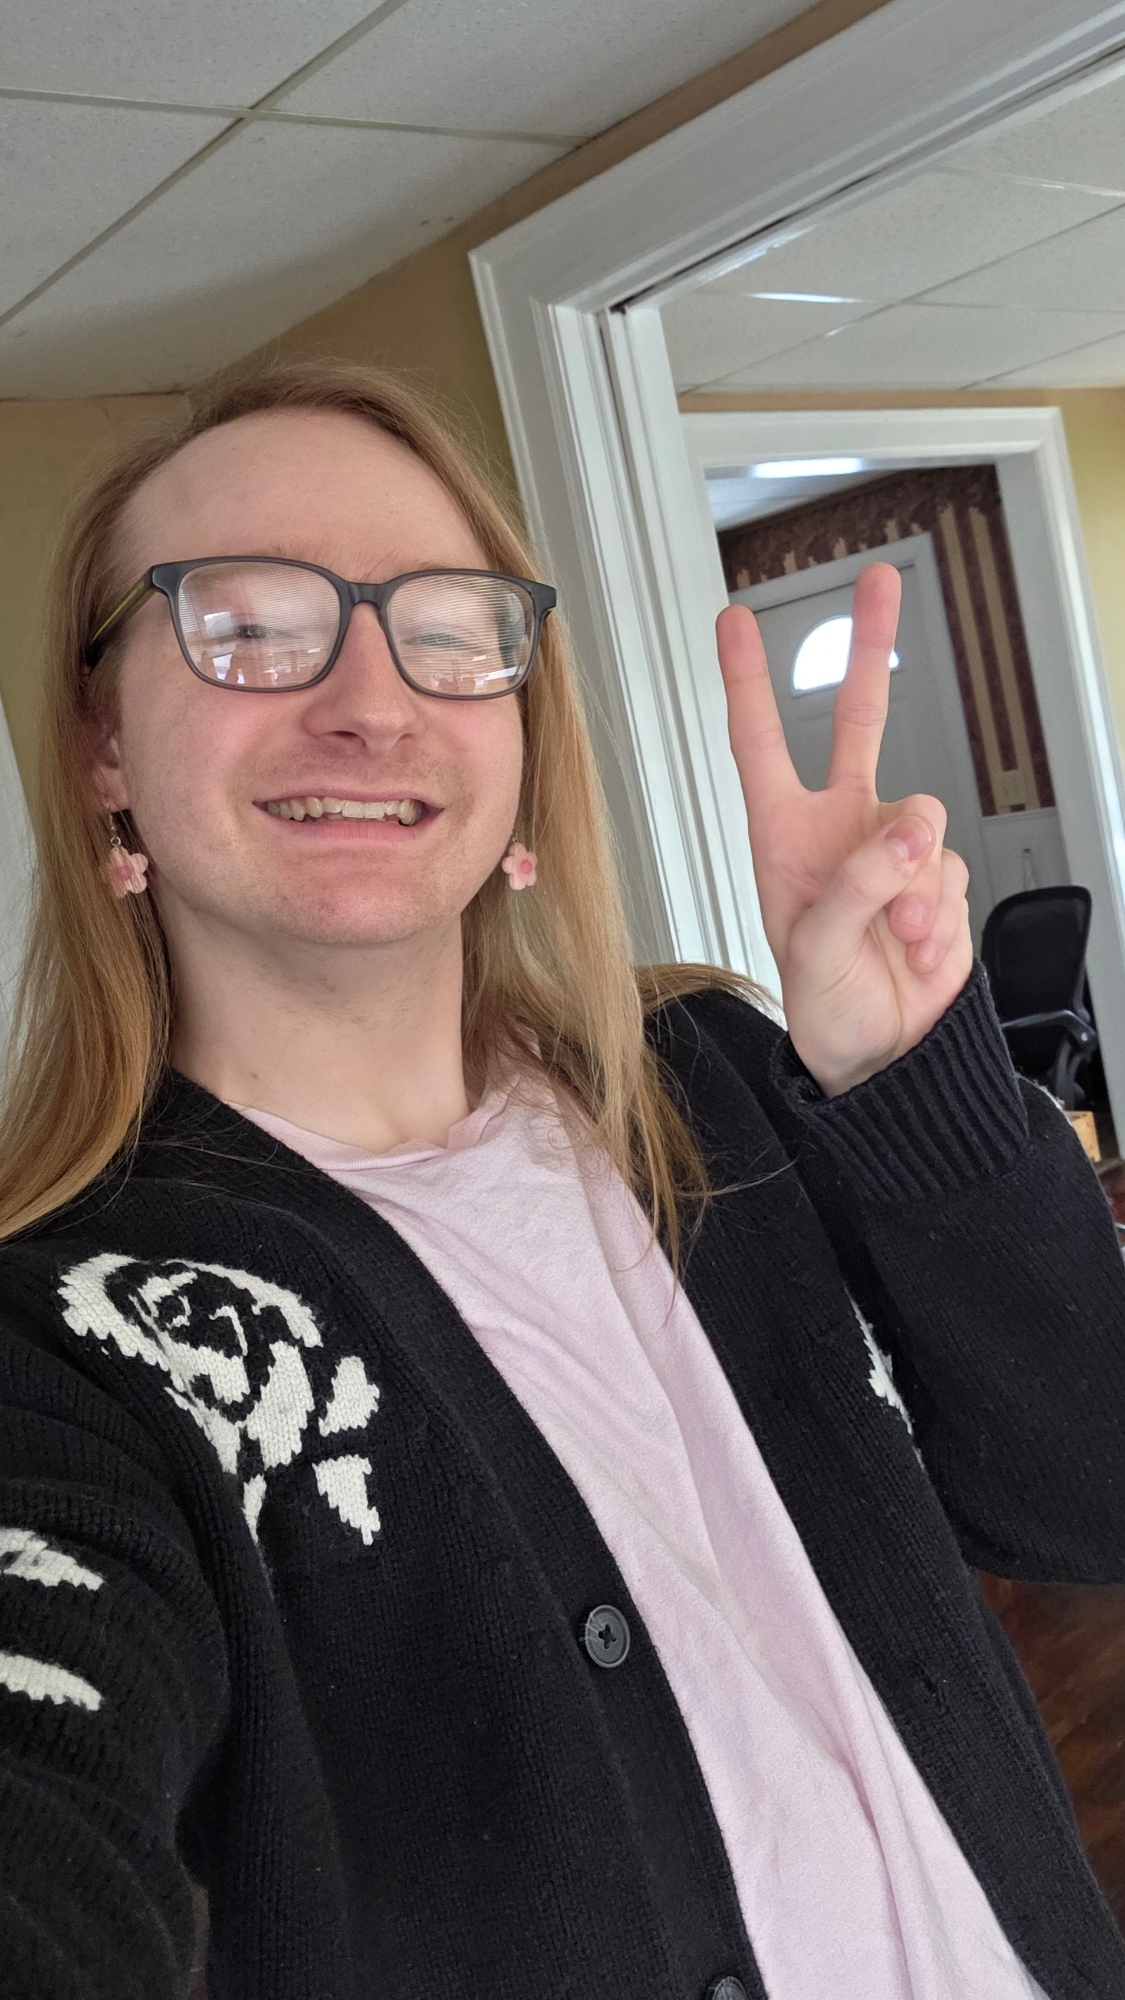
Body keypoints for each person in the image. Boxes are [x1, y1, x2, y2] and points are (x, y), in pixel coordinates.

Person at [0, 359, 1122, 2000]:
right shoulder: (68, 1340)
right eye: (246, 625)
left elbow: (1087, 1484)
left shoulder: (712, 1080)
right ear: (101, 741)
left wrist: (906, 1075)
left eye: (448, 629)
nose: (370, 702)